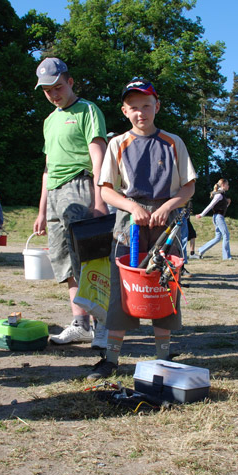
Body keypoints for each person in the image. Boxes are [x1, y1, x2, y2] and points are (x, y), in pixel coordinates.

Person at [88, 78, 196, 379]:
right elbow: (107, 190)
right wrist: (132, 207)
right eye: (134, 107)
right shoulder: (117, 144)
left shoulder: (174, 142)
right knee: (122, 290)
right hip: (128, 224)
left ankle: (164, 356)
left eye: (146, 106)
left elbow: (188, 187)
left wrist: (166, 207)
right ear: (124, 111)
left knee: (164, 286)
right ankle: (111, 358)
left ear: (156, 106)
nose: (141, 113)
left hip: (168, 223)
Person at [33, 57, 110, 349]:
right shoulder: (49, 120)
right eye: (47, 90)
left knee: (89, 259)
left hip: (81, 186)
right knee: (64, 261)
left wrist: (100, 199)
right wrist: (42, 210)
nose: (53, 94)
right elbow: (48, 167)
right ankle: (81, 324)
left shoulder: (88, 110)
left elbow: (98, 156)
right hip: (54, 195)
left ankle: (103, 325)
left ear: (70, 82)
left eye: (57, 87)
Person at [193, 179, 232, 260]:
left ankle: (201, 249)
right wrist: (201, 214)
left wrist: (227, 203)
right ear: (223, 185)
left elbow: (221, 208)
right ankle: (226, 257)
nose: (228, 186)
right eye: (227, 184)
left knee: (218, 237)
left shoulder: (222, 195)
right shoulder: (219, 195)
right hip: (218, 217)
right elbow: (210, 205)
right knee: (226, 235)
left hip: (217, 217)